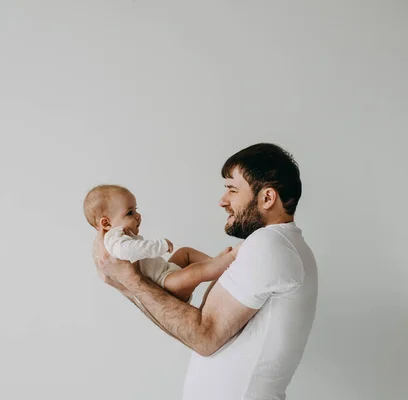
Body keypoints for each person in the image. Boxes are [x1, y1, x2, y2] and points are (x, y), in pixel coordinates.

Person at [92, 143, 318, 400]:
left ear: (267, 198)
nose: (222, 201)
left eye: (232, 189)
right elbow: (188, 330)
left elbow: (204, 336)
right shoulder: (276, 245)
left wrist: (129, 280)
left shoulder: (270, 245)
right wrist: (126, 283)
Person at [83, 184, 237, 301]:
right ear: (106, 223)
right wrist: (160, 246)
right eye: (130, 213)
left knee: (185, 253)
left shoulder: (119, 234)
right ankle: (223, 266)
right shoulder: (114, 240)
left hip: (166, 270)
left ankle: (214, 262)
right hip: (164, 284)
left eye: (136, 210)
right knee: (193, 273)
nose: (138, 216)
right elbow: (128, 251)